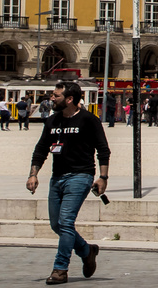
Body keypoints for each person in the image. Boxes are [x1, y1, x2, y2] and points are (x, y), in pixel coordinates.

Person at [27, 80, 109, 284]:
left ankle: (60, 269)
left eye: (56, 96)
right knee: (57, 225)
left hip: (80, 176)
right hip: (57, 178)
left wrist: (103, 177)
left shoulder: (89, 120)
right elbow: (41, 150)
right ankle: (86, 250)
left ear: (70, 99)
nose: (51, 98)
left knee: (65, 222)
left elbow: (103, 149)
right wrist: (33, 174)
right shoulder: (52, 121)